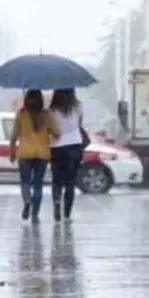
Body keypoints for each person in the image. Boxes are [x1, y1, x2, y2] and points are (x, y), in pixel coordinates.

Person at [10, 89, 60, 223]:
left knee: (25, 182)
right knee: (37, 185)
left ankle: (27, 201)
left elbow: (13, 136)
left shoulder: (21, 114)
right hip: (42, 154)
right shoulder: (46, 115)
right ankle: (35, 214)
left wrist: (12, 152)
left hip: (24, 153)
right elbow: (56, 133)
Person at [49, 89, 85, 222]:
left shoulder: (52, 109)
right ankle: (67, 214)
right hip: (74, 145)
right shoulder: (78, 106)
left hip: (56, 146)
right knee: (70, 182)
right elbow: (79, 124)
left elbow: (51, 128)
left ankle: (57, 202)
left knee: (56, 180)